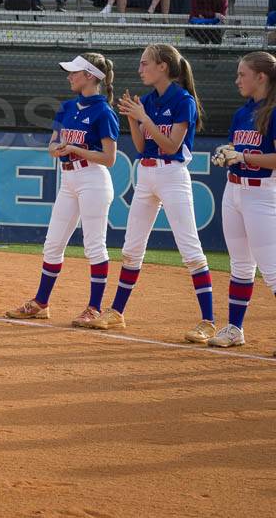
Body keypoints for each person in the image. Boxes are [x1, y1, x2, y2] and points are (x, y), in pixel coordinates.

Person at [91, 44, 216, 343]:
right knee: (132, 248)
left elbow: (172, 146)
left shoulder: (183, 100)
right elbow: (140, 145)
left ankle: (208, 322)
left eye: (145, 63)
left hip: (172, 174)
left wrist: (143, 117)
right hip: (146, 173)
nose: (140, 68)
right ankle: (117, 311)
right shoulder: (147, 100)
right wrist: (134, 119)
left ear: (163, 66)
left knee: (190, 249)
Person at [5, 54, 119, 327]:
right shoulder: (67, 107)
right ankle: (41, 303)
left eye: (74, 73)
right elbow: (53, 145)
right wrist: (56, 149)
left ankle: (94, 308)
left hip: (93, 179)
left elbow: (109, 158)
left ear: (90, 76)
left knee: (94, 245)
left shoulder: (104, 112)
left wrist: (74, 149)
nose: (69, 76)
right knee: (53, 244)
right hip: (68, 180)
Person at [206, 51, 276, 349]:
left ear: (261, 77)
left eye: (242, 75)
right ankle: (235, 328)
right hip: (234, 190)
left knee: (271, 269)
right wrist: (228, 154)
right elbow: (240, 146)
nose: (237, 80)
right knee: (240, 265)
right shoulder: (241, 112)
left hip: (262, 193)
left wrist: (243, 156)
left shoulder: (274, 111)